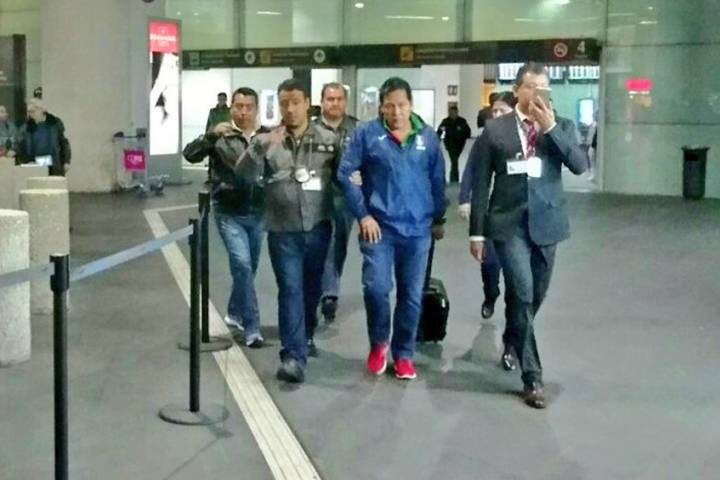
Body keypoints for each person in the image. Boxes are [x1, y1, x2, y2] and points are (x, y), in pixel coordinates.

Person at [468, 63, 587, 409]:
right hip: (509, 225)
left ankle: (512, 337)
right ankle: (532, 377)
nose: (538, 93)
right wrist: (477, 233)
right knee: (521, 293)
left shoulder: (561, 125)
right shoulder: (496, 129)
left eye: (543, 87)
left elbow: (579, 165)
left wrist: (550, 127)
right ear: (517, 90)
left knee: (534, 297)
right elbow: (481, 184)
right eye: (531, 86)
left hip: (548, 223)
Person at [227, 79, 340, 384]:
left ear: (307, 104)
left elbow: (344, 179)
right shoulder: (268, 141)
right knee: (290, 289)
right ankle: (292, 356)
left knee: (311, 289)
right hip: (282, 230)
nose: (290, 109)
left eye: (295, 102)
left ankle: (305, 335)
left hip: (318, 228)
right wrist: (255, 149)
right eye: (284, 103)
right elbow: (243, 174)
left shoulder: (330, 141)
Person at [338, 77, 446, 381]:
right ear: (381, 107)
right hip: (379, 229)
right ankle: (379, 344)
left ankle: (404, 354)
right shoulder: (367, 134)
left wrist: (438, 219)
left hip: (418, 230)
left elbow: (438, 180)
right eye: (389, 106)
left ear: (410, 105)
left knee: (411, 295)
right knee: (376, 288)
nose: (396, 112)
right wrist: (363, 215)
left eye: (401, 105)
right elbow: (345, 173)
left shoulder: (428, 137)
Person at [183, 87, 268, 348]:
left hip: (258, 213)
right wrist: (210, 135)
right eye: (238, 106)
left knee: (249, 269)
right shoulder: (221, 137)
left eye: (248, 107)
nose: (243, 112)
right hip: (228, 211)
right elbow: (190, 154)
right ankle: (252, 328)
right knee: (242, 265)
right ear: (231, 108)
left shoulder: (266, 137)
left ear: (256, 109)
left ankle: (234, 312)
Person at [459, 92, 515, 318]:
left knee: (515, 268)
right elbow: (471, 170)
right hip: (489, 212)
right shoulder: (485, 138)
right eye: (495, 111)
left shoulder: (522, 138)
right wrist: (464, 198)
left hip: (512, 211)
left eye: (503, 110)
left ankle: (515, 310)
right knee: (490, 263)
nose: (497, 114)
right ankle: (490, 294)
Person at [314, 82, 359, 324]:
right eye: (330, 99)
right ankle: (328, 293)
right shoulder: (310, 129)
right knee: (322, 244)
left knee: (338, 245)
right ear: (322, 102)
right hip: (316, 197)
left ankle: (329, 289)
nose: (335, 103)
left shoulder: (357, 129)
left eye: (339, 99)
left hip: (345, 197)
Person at [16, 99, 71, 176]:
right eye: (29, 112)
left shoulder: (54, 123)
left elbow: (63, 143)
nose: (30, 115)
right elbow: (20, 146)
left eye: (33, 111)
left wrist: (66, 161)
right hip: (35, 166)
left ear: (41, 110)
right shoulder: (26, 128)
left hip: (54, 165)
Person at [436, 105, 471, 183]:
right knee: (454, 160)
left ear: (457, 112)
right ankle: (454, 179)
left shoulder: (462, 121)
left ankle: (454, 179)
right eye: (451, 112)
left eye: (454, 112)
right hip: (449, 143)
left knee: (454, 160)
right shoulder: (446, 121)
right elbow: (440, 131)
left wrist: (464, 136)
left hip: (459, 144)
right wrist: (437, 139)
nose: (452, 114)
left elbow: (468, 131)